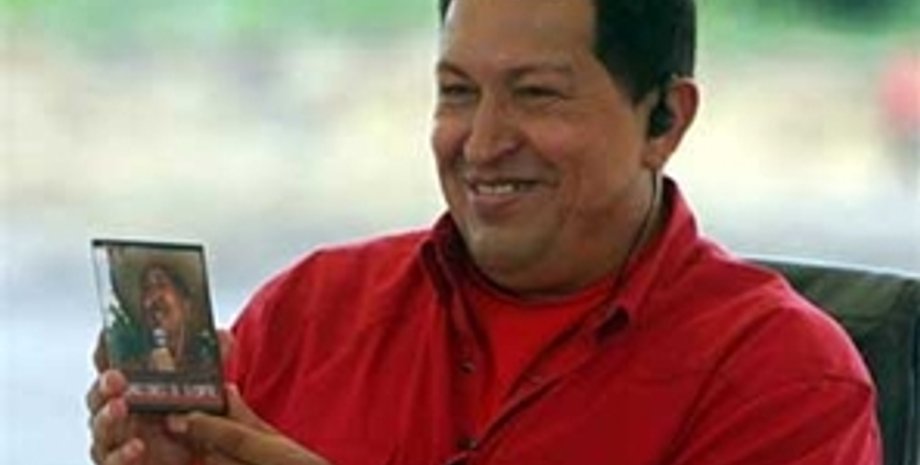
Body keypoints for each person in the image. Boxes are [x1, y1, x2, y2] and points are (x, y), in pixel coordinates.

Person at [86, 0, 882, 463]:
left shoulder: (785, 378)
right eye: (458, 92)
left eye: (536, 94)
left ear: (666, 120)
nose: (484, 141)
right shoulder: (304, 312)